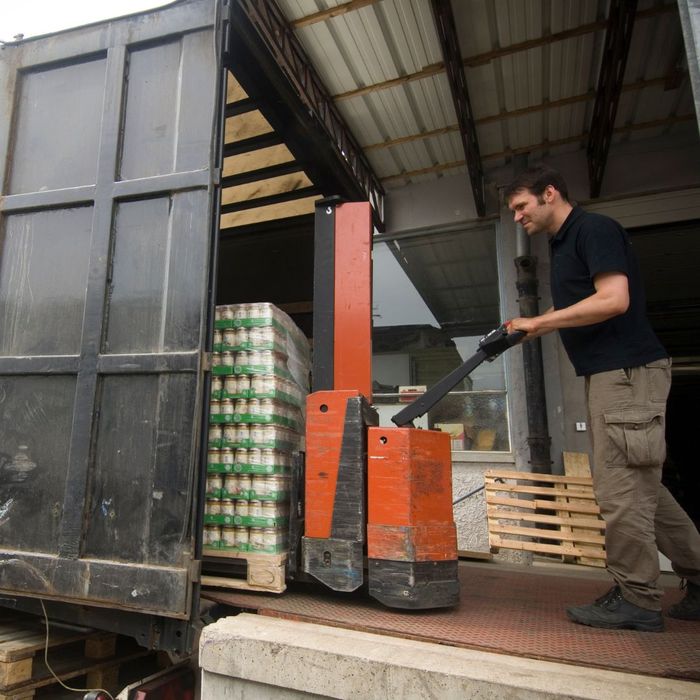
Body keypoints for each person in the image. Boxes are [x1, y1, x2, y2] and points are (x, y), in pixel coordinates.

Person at [503, 164, 700, 632]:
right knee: (644, 490)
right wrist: (532, 325)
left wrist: (542, 323)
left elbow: (613, 299)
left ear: (550, 193)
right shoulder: (565, 242)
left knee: (620, 493)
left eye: (520, 206)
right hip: (612, 374)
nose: (516, 218)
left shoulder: (594, 229)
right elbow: (580, 299)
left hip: (626, 374)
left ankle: (638, 600)